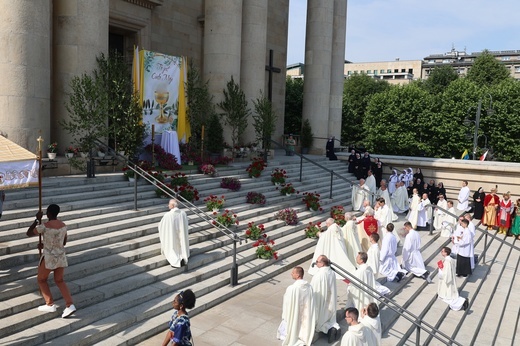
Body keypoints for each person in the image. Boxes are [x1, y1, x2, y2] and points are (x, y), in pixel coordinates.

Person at [26, 204, 76, 318]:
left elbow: (28, 233)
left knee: (41, 280)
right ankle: (70, 305)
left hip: (49, 257)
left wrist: (36, 220)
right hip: (61, 256)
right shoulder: (63, 225)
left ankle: (50, 304)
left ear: (48, 213)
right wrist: (44, 244)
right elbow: (63, 242)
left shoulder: (44, 226)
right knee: (59, 280)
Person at [277, 266, 315, 346]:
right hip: (305, 313)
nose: (291, 274)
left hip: (295, 313)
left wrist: (285, 316)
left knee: (294, 326)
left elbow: (287, 303)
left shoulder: (292, 288)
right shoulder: (309, 287)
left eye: (293, 273)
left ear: (298, 275)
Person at [310, 255, 341, 343]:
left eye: (317, 261)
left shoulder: (319, 275)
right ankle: (335, 327)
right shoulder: (331, 272)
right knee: (328, 318)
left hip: (321, 302)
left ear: (323, 263)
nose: (316, 263)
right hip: (330, 303)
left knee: (320, 322)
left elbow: (314, 290)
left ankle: (329, 330)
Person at [158, 199, 190, 268]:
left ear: (172, 206)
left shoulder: (168, 215)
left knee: (172, 246)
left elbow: (162, 225)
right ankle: (183, 256)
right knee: (181, 244)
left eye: (169, 204)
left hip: (172, 235)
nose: (168, 205)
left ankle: (176, 260)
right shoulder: (183, 213)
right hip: (180, 235)